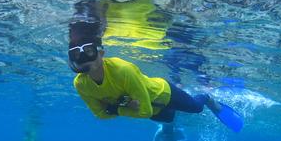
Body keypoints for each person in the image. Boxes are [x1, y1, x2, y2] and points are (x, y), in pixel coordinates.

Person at [69, 34, 223, 125]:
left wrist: (116, 108)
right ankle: (180, 98)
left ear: (101, 53)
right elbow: (100, 114)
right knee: (169, 119)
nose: (83, 58)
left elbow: (144, 111)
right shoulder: (80, 83)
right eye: (76, 55)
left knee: (196, 108)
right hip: (152, 108)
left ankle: (206, 97)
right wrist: (126, 105)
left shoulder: (123, 70)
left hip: (163, 93)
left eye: (89, 51)